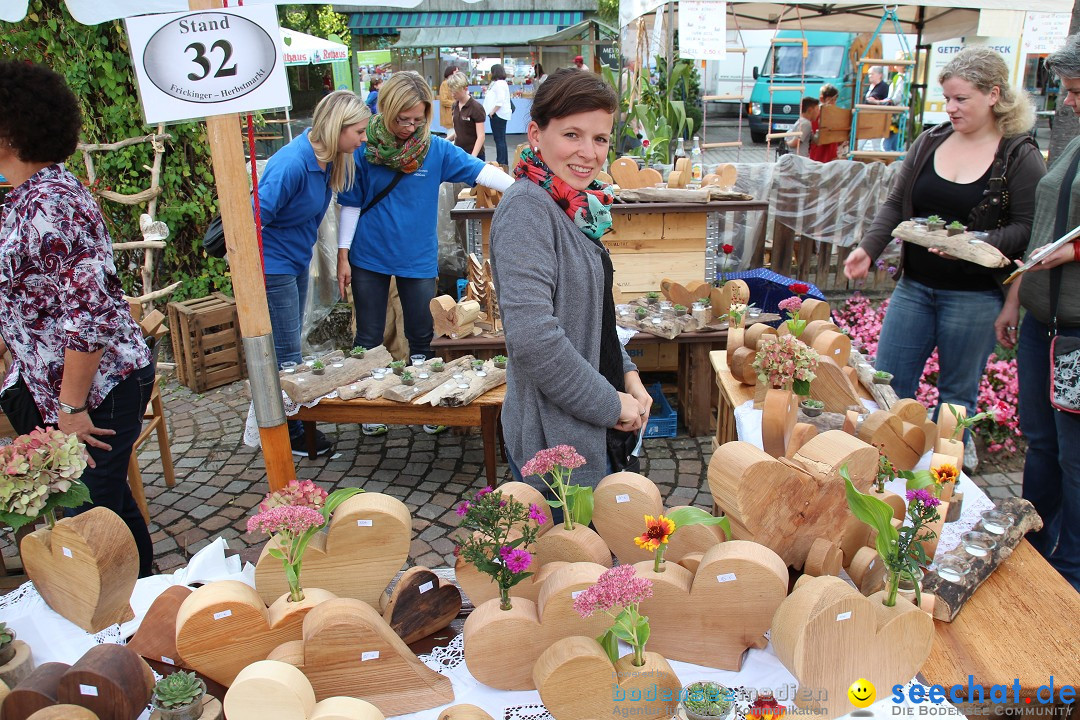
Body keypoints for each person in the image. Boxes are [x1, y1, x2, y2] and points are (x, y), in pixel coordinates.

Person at [844, 47, 1045, 446]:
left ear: (993, 94)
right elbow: (894, 203)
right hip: (914, 288)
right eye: (948, 98)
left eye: (961, 99)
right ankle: (883, 464)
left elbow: (1028, 228)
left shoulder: (1019, 155)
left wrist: (973, 244)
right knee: (888, 382)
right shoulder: (930, 141)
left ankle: (946, 479)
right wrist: (869, 247)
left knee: (956, 397)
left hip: (975, 297)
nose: (950, 107)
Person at [0, 61, 155, 576]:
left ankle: (127, 612)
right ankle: (146, 598)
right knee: (105, 501)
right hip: (60, 387)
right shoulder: (26, 197)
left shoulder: (50, 201)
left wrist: (70, 407)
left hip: (96, 389)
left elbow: (89, 315)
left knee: (92, 508)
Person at [489, 68, 653, 488]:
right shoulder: (528, 209)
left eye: (599, 139)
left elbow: (591, 316)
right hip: (556, 442)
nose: (588, 152)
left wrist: (629, 375)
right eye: (572, 135)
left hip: (590, 426)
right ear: (535, 134)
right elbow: (534, 338)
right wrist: (609, 403)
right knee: (573, 552)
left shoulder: (574, 207)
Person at [335, 72, 513, 435]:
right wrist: (342, 254)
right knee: (369, 334)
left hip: (416, 257)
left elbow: (483, 173)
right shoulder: (363, 150)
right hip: (368, 255)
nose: (409, 127)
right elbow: (350, 206)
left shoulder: (434, 149)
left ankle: (422, 403)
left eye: (418, 119)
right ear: (385, 111)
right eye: (402, 119)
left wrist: (527, 194)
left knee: (422, 334)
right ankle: (369, 407)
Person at [994, 33, 1080, 591]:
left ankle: (1070, 569)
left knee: (1076, 456)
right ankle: (1035, 544)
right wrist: (1016, 293)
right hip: (1041, 322)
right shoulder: (1075, 144)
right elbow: (1052, 223)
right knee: (1042, 442)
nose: (1069, 101)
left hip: (1077, 332)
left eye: (1076, 90)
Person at [257, 90, 369, 450]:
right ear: (337, 128)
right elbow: (253, 219)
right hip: (273, 267)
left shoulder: (329, 161)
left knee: (292, 347)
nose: (364, 139)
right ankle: (290, 434)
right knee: (287, 352)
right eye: (359, 132)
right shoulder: (291, 164)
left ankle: (295, 425)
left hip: (294, 261)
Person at [447, 72, 486, 159]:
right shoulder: (455, 106)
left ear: (465, 88)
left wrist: (473, 157)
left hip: (474, 154)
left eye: (456, 92)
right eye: (451, 92)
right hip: (459, 153)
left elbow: (481, 136)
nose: (453, 95)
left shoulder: (476, 107)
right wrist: (445, 141)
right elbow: (458, 131)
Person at [483, 64, 512, 168]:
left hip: (498, 114)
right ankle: (502, 161)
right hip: (498, 114)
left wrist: (492, 112)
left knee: (499, 139)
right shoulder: (499, 83)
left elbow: (500, 101)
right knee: (500, 139)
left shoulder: (499, 84)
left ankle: (501, 162)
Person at [883, 57, 910, 151]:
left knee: (889, 144)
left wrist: (887, 101)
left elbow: (897, 97)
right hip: (898, 113)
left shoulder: (901, 78)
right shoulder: (903, 77)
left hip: (895, 114)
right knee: (894, 143)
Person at [809, 84, 840, 162]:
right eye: (830, 100)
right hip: (818, 152)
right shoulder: (816, 113)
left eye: (834, 100)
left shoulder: (836, 113)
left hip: (831, 151)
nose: (833, 103)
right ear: (822, 99)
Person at [437, 66, 458, 133]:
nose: (458, 74)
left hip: (455, 114)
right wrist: (456, 103)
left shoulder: (454, 83)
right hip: (450, 115)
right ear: (451, 72)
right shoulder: (445, 84)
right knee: (452, 135)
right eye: (456, 72)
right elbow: (444, 100)